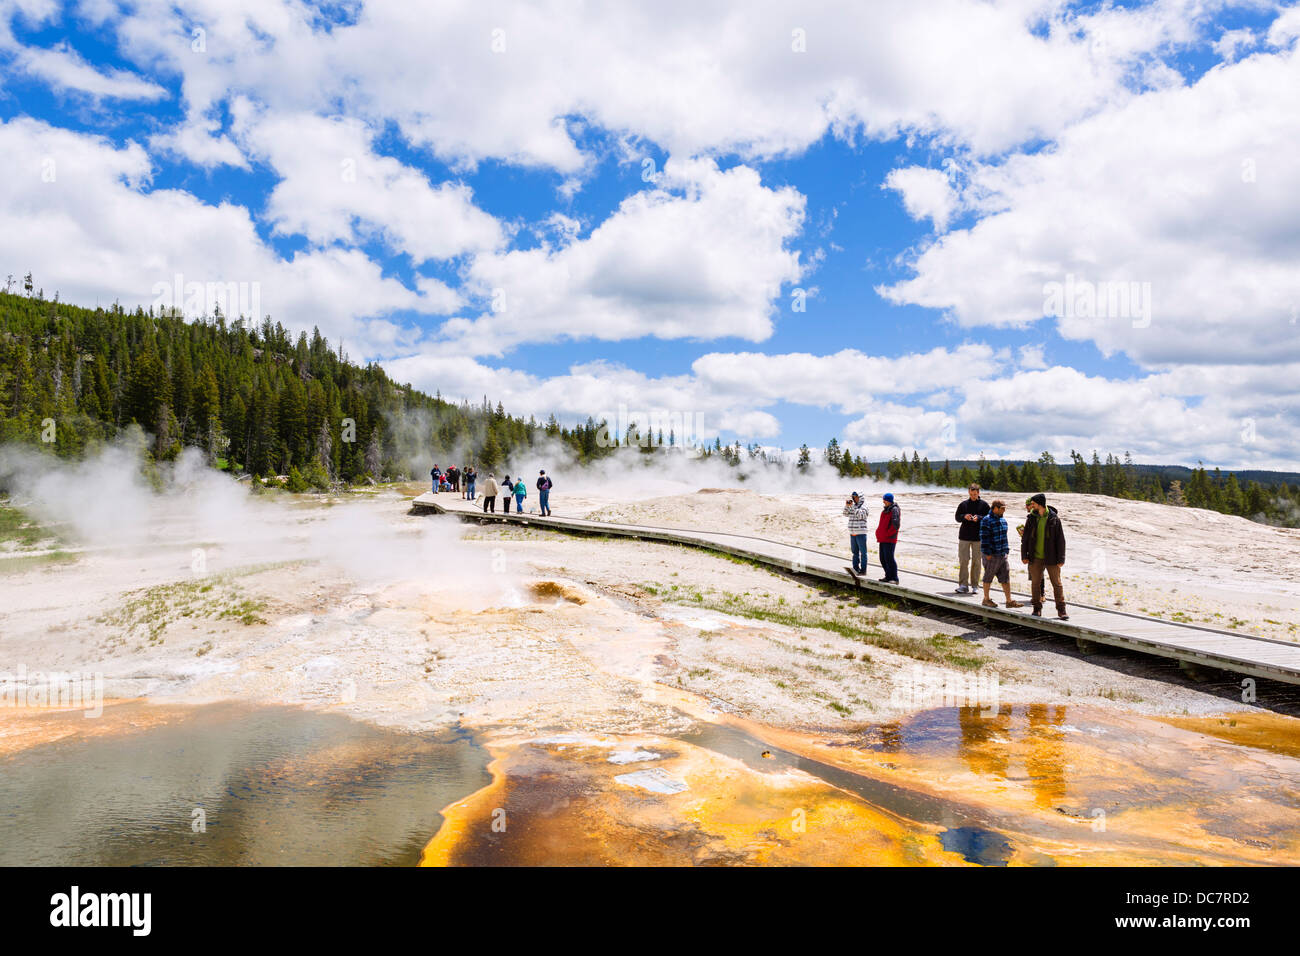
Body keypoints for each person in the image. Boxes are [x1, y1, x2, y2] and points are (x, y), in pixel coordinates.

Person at [1021, 493, 1068, 620]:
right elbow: (1025, 538)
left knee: (1057, 584)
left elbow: (1061, 540)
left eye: (1033, 504)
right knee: (1035, 584)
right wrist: (1024, 555)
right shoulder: (1031, 518)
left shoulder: (1054, 519)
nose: (1031, 506)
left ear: (1040, 504)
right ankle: (1037, 609)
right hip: (1035, 557)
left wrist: (1061, 558)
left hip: (1052, 558)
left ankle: (1061, 610)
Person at [978, 499, 1023, 609]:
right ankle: (986, 599)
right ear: (995, 508)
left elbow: (1004, 537)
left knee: (1005, 577)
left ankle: (1009, 601)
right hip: (991, 555)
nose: (1004, 510)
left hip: (1002, 554)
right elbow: (984, 538)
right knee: (988, 576)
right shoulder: (986, 520)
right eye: (1002, 508)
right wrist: (987, 553)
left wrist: (1006, 550)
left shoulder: (1003, 520)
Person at [954, 483, 990, 594]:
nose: (973, 496)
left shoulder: (984, 505)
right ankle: (963, 585)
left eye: (975, 494)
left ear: (978, 493)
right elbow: (957, 517)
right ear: (969, 492)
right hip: (964, 536)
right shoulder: (963, 504)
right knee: (964, 561)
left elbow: (989, 518)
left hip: (978, 538)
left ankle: (975, 585)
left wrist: (979, 518)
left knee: (977, 562)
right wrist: (964, 517)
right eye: (971, 494)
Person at [842, 491, 870, 582]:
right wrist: (847, 506)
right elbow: (845, 514)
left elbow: (861, 515)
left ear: (860, 497)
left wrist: (853, 508)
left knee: (863, 553)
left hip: (861, 533)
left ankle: (863, 570)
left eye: (856, 497)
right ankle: (855, 568)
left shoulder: (864, 506)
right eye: (853, 497)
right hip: (853, 533)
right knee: (854, 552)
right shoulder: (853, 506)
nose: (854, 498)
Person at [876, 492, 900, 583]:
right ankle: (888, 576)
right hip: (883, 538)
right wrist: (878, 533)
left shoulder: (894, 509)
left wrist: (887, 534)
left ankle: (894, 578)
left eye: (885, 500)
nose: (883, 501)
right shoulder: (885, 510)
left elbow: (895, 525)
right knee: (883, 558)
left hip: (889, 539)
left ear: (889, 500)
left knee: (889, 558)